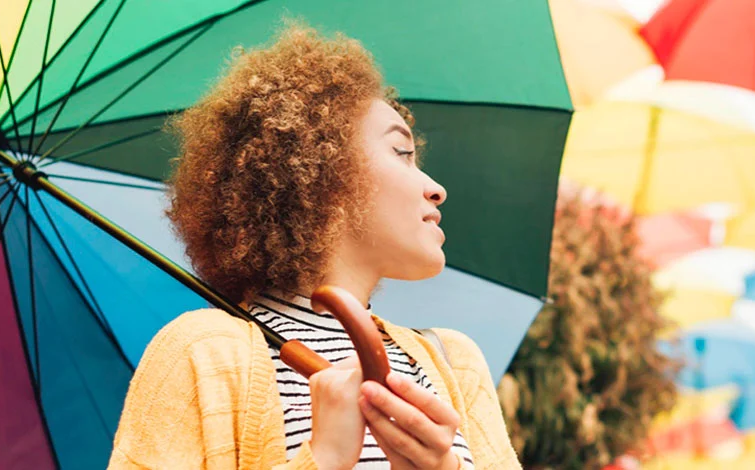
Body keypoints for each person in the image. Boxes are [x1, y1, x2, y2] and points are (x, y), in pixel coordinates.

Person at [108, 23, 520, 470]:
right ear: (323, 173)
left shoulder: (453, 362)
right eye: (402, 153)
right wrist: (321, 460)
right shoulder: (203, 354)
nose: (436, 189)